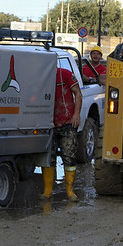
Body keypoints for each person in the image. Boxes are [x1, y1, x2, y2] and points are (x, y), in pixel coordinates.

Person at [41, 65, 82, 201]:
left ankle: (70, 190)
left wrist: (76, 114)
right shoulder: (41, 76)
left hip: (67, 123)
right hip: (48, 124)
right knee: (48, 158)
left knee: (69, 157)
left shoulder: (65, 74)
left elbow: (78, 93)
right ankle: (47, 191)